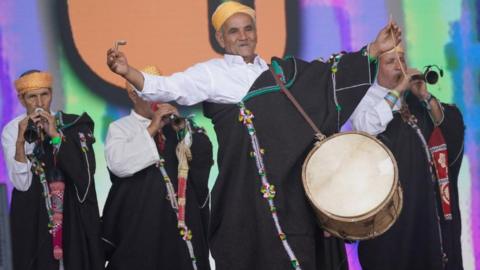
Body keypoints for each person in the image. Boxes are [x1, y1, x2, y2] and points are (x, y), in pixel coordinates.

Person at [106, 2, 403, 269]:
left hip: (295, 191)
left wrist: (375, 48)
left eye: (248, 29)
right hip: (249, 197)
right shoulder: (213, 73)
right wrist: (127, 70)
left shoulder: (283, 73)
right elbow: (168, 87)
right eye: (233, 32)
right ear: (221, 39)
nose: (243, 36)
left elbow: (326, 78)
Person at [350, 45, 465, 270]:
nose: (398, 66)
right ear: (376, 68)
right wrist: (397, 91)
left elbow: (448, 128)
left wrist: (425, 95)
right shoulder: (365, 98)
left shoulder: (414, 98)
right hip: (389, 210)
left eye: (401, 59)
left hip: (423, 205)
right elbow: (366, 127)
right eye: (390, 61)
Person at [101, 66, 213, 270]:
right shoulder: (120, 128)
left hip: (182, 224)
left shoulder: (177, 125)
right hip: (143, 224)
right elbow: (118, 164)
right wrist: (152, 127)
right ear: (133, 95)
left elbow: (203, 160)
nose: (157, 100)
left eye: (159, 94)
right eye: (149, 95)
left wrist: (184, 130)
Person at [0, 70, 104, 270]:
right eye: (32, 97)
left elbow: (84, 174)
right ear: (22, 100)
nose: (39, 103)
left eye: (44, 95)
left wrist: (55, 135)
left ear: (51, 94)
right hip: (33, 216)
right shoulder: (12, 130)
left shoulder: (72, 124)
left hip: (70, 213)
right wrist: (23, 140)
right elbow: (21, 184)